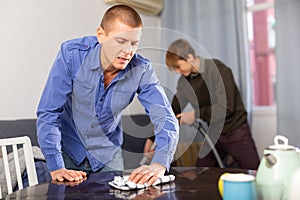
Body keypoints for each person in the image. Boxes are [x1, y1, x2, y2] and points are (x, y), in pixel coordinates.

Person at [36, 5, 179, 185]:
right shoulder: (72, 55)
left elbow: (165, 116)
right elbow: (49, 112)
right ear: (101, 35)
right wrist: (56, 165)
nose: (128, 51)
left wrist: (159, 163)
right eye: (121, 41)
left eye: (134, 43)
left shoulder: (141, 69)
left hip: (108, 156)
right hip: (67, 153)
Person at [144, 38, 260, 170]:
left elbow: (226, 107)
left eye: (178, 66)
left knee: (254, 172)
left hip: (236, 132)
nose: (177, 71)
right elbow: (172, 111)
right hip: (214, 134)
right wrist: (152, 138)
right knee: (201, 172)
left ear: (190, 57)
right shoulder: (184, 83)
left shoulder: (218, 69)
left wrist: (195, 115)